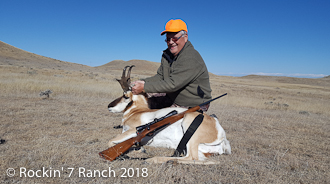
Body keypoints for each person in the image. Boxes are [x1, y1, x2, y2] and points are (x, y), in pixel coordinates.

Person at [132, 19, 212, 112]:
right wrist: (140, 82)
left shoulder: (190, 57)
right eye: (168, 39)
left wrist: (144, 87)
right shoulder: (167, 55)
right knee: (142, 105)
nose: (171, 42)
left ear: (185, 37)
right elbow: (161, 77)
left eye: (174, 38)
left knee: (157, 123)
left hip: (192, 104)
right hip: (172, 97)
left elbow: (173, 84)